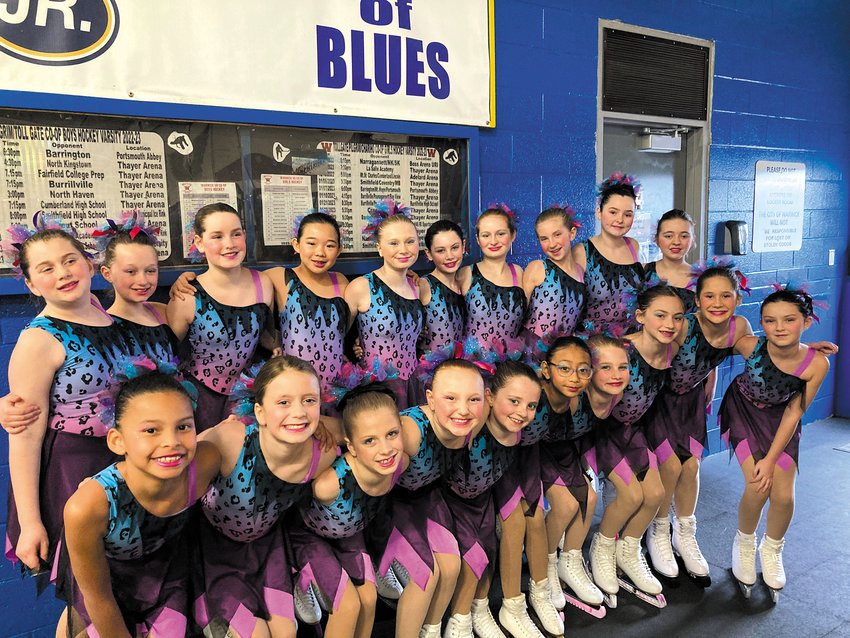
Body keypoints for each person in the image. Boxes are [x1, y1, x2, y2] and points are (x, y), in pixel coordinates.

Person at [2, 215, 125, 587]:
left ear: (89, 263)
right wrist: (30, 521)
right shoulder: (38, 340)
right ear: (31, 283)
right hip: (72, 470)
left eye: (70, 260)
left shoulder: (111, 317)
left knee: (116, 591)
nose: (63, 273)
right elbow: (24, 436)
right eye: (46, 268)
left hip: (122, 463)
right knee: (87, 592)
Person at [58, 368, 220, 637]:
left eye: (183, 426)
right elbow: (98, 598)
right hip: (108, 587)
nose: (171, 442)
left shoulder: (205, 461)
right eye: (151, 430)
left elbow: (242, 431)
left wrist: (317, 424)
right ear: (117, 441)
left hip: (168, 579)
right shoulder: (88, 507)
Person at [195, 356, 338, 637]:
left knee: (286, 632)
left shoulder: (322, 454)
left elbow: (359, 426)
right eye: (283, 402)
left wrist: (326, 424)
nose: (298, 412)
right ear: (259, 412)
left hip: (266, 547)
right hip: (215, 553)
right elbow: (177, 457)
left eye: (309, 400)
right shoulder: (230, 440)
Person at [643, 260, 751, 584]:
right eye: (709, 297)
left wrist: (801, 352)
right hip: (659, 399)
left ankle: (684, 532)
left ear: (738, 299)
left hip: (690, 401)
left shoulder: (739, 327)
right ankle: (658, 531)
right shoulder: (684, 326)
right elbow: (649, 353)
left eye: (726, 297)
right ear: (697, 299)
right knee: (671, 466)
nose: (718, 304)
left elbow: (764, 356)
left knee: (691, 466)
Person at [722, 285, 829, 601]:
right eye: (770, 321)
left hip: (782, 421)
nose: (779, 328)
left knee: (783, 495)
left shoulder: (817, 364)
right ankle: (744, 542)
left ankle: (772, 548)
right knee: (758, 485)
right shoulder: (750, 345)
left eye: (789, 320)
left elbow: (795, 410)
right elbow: (709, 346)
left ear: (805, 323)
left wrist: (771, 458)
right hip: (742, 411)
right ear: (762, 323)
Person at [587, 283, 684, 608]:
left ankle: (629, 549)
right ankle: (602, 547)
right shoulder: (624, 349)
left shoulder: (670, 351)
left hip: (633, 430)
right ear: (641, 316)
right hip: (603, 431)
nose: (669, 324)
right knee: (631, 495)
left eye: (677, 317)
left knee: (656, 494)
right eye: (660, 315)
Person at [375, 355, 486, 638]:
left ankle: (431, 630)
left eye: (473, 399)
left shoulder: (472, 419)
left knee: (451, 565)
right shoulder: (410, 433)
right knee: (426, 573)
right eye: (450, 398)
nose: (463, 409)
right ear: (431, 399)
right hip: (387, 505)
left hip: (425, 498)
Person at [291, 376, 409, 638]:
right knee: (349, 604)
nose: (386, 449)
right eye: (370, 441)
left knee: (368, 599)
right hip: (310, 538)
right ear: (351, 447)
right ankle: (300, 579)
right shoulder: (328, 485)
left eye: (392, 434)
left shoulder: (401, 463)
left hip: (349, 536)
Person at [441, 360, 541, 638]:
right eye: (514, 401)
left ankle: (480, 608)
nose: (523, 412)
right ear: (490, 396)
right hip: (448, 502)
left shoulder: (516, 430)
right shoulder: (470, 426)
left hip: (480, 500)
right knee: (473, 556)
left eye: (531, 406)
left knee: (488, 551)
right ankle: (458, 622)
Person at [167, 202, 273, 430]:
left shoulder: (263, 284)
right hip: (199, 398)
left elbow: (263, 336)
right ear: (199, 243)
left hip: (247, 397)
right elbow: (167, 357)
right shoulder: (187, 296)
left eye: (236, 234)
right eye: (217, 236)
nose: (229, 244)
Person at [537, 336, 606, 618]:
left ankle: (571, 558)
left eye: (583, 370)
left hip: (562, 449)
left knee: (589, 496)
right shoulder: (535, 396)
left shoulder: (582, 399)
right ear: (546, 369)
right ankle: (547, 563)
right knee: (565, 505)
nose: (574, 377)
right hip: (531, 455)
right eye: (564, 369)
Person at [345, 199, 424, 409]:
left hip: (414, 385)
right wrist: (355, 347)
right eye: (393, 243)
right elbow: (338, 338)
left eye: (410, 241)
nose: (404, 249)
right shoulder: (361, 287)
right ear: (379, 248)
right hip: (377, 389)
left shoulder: (418, 287)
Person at [94, 211, 179, 362]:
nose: (143, 280)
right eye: (131, 271)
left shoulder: (163, 312)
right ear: (107, 274)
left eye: (150, 271)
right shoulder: (103, 326)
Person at [572, 173, 644, 328]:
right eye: (613, 212)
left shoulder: (634, 246)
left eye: (628, 214)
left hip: (632, 339)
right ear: (599, 212)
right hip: (595, 342)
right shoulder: (582, 251)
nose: (620, 220)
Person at [460, 205, 527, 350]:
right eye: (486, 235)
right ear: (478, 239)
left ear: (513, 235)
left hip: (511, 366)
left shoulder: (519, 273)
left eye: (500, 234)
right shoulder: (466, 274)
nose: (493, 241)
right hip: (475, 366)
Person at [522, 204, 586, 344]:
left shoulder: (580, 272)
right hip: (532, 350)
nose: (552, 244)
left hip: (562, 353)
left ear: (572, 233)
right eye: (544, 239)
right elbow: (517, 315)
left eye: (557, 235)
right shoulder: (538, 268)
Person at [419, 220, 467, 354]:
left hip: (463, 366)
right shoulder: (423, 285)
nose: (449, 256)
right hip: (433, 370)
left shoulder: (466, 281)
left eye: (455, 247)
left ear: (463, 246)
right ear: (429, 253)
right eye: (441, 250)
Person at [643, 209, 697, 313]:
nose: (676, 242)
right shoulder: (642, 271)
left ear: (692, 239)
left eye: (684, 236)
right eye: (668, 236)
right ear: (657, 239)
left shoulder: (702, 278)